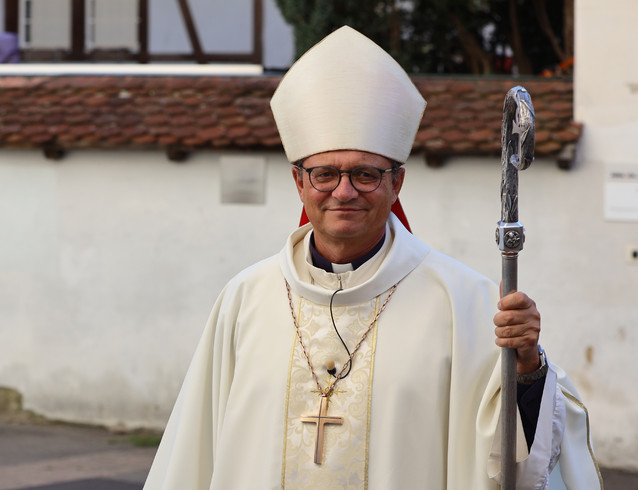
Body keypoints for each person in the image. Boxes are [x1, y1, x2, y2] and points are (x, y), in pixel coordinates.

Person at [144, 26, 601, 490]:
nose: (344, 191)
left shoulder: (463, 301)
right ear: (299, 183)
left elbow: (519, 463)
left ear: (396, 183)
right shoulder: (244, 299)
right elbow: (194, 454)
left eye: (365, 173)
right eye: (325, 174)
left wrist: (527, 371)